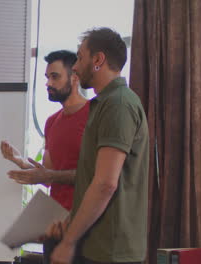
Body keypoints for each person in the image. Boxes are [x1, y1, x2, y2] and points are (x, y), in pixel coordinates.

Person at [49, 28, 149, 264]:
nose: (75, 66)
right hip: (98, 246)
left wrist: (69, 241)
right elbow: (93, 178)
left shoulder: (118, 104)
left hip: (110, 251)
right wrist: (71, 223)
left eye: (80, 57)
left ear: (98, 60)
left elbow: (105, 183)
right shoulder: (104, 104)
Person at [0, 50, 89, 264]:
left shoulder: (94, 114)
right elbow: (49, 174)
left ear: (74, 78)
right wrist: (20, 161)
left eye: (55, 76)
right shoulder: (51, 122)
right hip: (53, 226)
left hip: (83, 226)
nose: (48, 82)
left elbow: (97, 175)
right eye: (47, 77)